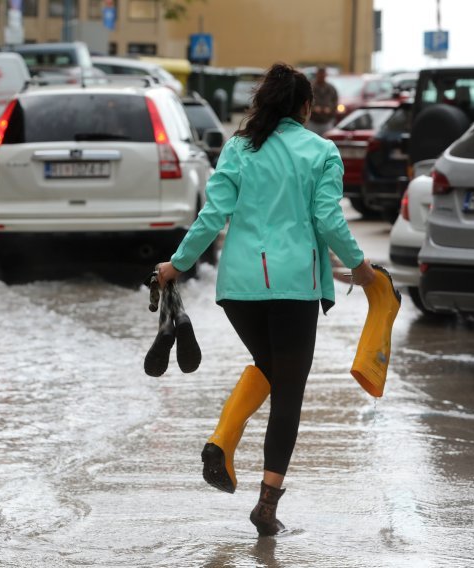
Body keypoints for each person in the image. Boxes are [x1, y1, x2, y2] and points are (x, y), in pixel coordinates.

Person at [155, 62, 375, 537]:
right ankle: (266, 506)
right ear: (304, 107)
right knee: (288, 393)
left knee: (270, 367)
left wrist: (177, 264)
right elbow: (328, 221)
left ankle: (223, 439)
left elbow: (213, 216)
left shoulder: (238, 149)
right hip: (294, 288)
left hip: (239, 289)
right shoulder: (321, 152)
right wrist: (359, 265)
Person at [306, 66, 339, 136]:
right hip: (313, 121)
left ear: (325, 75)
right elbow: (306, 101)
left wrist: (330, 109)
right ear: (317, 74)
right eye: (320, 74)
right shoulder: (310, 87)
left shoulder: (331, 88)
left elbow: (335, 102)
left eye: (323, 74)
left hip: (327, 121)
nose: (321, 76)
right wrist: (313, 109)